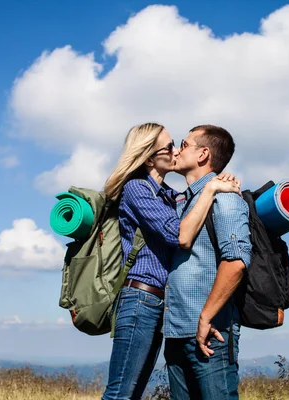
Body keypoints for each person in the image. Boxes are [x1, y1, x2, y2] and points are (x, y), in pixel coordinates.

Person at [101, 122, 241, 400]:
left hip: (159, 306)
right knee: (120, 394)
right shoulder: (137, 189)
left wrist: (216, 184)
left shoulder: (169, 195)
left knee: (133, 392)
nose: (176, 151)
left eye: (179, 144)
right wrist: (210, 189)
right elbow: (180, 236)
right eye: (169, 146)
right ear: (150, 157)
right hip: (140, 299)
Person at [163, 125, 252, 399]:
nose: (176, 150)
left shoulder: (225, 199)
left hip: (210, 333)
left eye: (183, 144)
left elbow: (236, 261)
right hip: (176, 331)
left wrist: (206, 317)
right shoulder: (182, 202)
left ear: (203, 154)